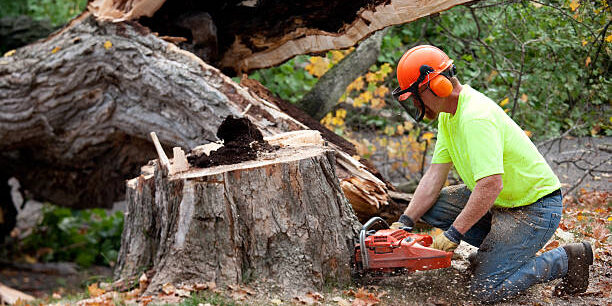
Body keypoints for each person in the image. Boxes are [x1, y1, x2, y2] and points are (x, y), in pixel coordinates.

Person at [389, 45, 593, 302]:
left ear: (437, 86)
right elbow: (433, 176)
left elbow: (490, 184)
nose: (417, 104)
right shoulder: (447, 115)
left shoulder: (475, 117)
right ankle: (498, 254)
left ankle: (566, 259)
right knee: (433, 206)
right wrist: (405, 221)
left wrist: (454, 233)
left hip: (533, 209)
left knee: (484, 291)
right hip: (501, 202)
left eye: (416, 96)